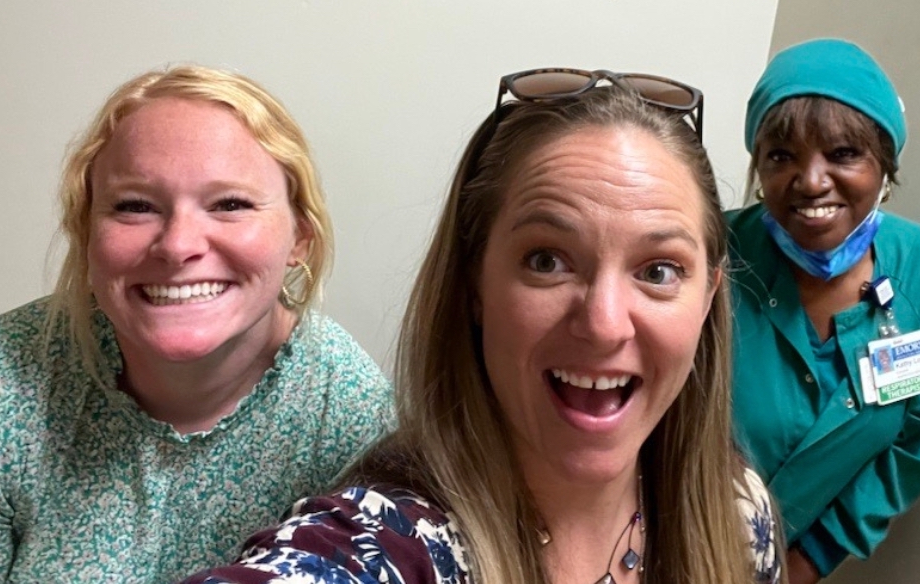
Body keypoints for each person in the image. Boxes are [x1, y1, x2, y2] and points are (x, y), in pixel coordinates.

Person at [180, 69, 779, 584]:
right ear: (473, 287)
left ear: (708, 299)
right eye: (547, 261)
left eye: (658, 270)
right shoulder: (395, 543)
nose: (602, 325)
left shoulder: (736, 515)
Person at [0, 65, 396, 583]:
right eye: (135, 207)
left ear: (300, 240)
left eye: (230, 204)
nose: (177, 245)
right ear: (86, 235)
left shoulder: (351, 418)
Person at [728, 39, 920, 582]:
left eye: (843, 153)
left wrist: (803, 561)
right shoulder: (711, 252)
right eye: (782, 155)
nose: (811, 181)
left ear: (886, 163)